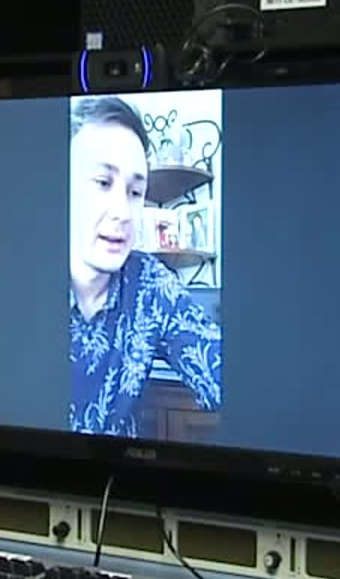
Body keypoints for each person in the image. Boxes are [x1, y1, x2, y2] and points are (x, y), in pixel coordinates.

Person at [67, 95, 223, 437]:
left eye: (135, 192)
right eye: (103, 183)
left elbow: (225, 371)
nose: (123, 212)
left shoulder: (150, 284)